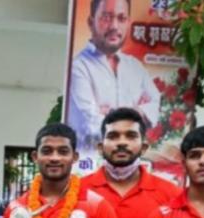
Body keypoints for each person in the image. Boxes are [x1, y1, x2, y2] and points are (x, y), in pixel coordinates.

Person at [67, 0, 161, 152]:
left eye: (121, 18)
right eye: (106, 17)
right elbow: (91, 123)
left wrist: (111, 113)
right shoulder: (79, 67)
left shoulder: (135, 67)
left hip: (130, 161)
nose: (114, 26)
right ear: (91, 22)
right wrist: (135, 113)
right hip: (89, 162)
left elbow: (156, 104)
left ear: (128, 23)